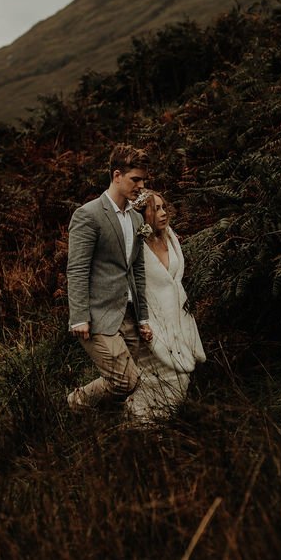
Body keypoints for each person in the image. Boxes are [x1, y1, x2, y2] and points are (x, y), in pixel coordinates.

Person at [65, 144, 154, 410]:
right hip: (96, 314)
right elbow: (77, 268)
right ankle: (75, 402)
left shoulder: (137, 221)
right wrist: (79, 316)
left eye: (143, 180)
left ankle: (110, 425)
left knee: (136, 379)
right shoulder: (88, 215)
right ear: (117, 176)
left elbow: (136, 270)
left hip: (127, 313)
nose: (140, 186)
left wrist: (143, 317)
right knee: (125, 382)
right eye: (135, 179)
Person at [126, 191, 206, 421]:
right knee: (158, 377)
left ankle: (165, 424)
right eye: (156, 209)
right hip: (151, 320)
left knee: (182, 376)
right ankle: (140, 424)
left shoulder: (170, 236)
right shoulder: (135, 245)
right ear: (142, 215)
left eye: (163, 207)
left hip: (179, 318)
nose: (163, 214)